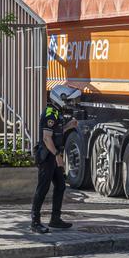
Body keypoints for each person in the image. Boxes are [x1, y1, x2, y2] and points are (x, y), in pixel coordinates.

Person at [32, 90, 78, 233]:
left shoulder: (57, 112)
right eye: (69, 101)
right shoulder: (50, 113)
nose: (70, 103)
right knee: (42, 189)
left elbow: (56, 132)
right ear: (60, 99)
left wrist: (68, 126)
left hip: (53, 154)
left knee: (60, 185)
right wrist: (58, 155)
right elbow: (47, 138)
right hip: (47, 156)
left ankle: (55, 219)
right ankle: (35, 222)